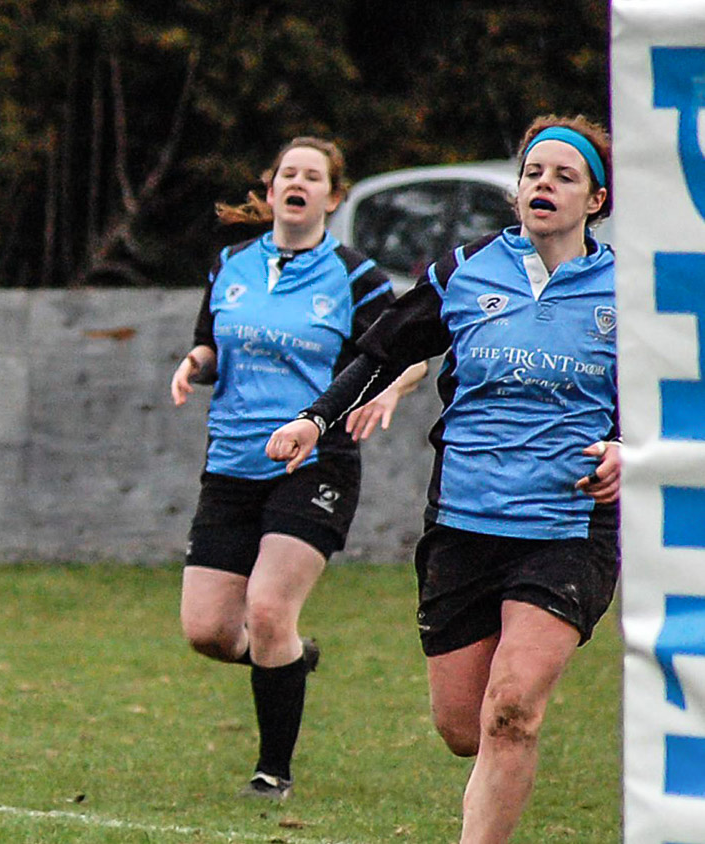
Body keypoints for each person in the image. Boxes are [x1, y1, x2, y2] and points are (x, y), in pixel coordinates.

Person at [266, 115, 617, 843]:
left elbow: (677, 393)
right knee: (464, 728)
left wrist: (628, 449)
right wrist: (315, 418)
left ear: (597, 200)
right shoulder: (465, 272)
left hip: (567, 530)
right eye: (532, 173)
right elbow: (380, 354)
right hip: (464, 525)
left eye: (563, 175)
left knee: (511, 712)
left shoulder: (631, 291)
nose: (542, 184)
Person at [172, 136, 427, 801]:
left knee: (267, 607)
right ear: (271, 185)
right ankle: (288, 655)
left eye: (313, 177)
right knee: (206, 631)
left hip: (317, 463)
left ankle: (272, 773)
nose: (299, 183)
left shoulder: (356, 277)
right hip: (230, 462)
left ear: (333, 197)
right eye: (288, 172)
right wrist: (192, 365)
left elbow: (412, 352)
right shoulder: (230, 264)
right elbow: (209, 344)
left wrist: (393, 393)